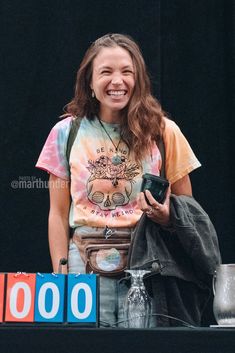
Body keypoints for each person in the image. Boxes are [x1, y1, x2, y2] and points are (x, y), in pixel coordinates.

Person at [36, 33, 202, 327]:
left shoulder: (164, 132)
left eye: (127, 72)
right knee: (83, 347)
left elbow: (187, 210)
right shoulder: (65, 133)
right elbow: (58, 214)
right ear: (89, 80)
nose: (117, 81)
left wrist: (166, 217)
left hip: (146, 261)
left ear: (138, 79)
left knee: (143, 346)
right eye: (106, 72)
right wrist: (60, 278)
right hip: (81, 265)